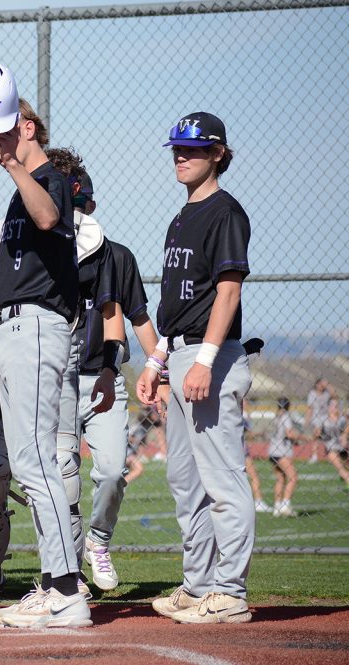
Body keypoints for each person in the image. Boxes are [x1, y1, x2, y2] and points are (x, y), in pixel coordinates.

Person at [0, 59, 93, 627]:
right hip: (11, 329)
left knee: (35, 463)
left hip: (37, 325)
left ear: (28, 127)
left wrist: (14, 164)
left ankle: (66, 590)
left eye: (7, 132)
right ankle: (56, 585)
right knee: (29, 463)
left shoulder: (48, 179)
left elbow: (51, 212)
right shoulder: (18, 195)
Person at [138, 111, 255, 624]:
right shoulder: (181, 216)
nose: (182, 156)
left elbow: (228, 291)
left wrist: (204, 359)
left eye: (195, 149)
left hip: (212, 357)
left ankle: (229, 592)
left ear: (219, 155)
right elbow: (178, 304)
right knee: (185, 480)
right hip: (179, 354)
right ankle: (199, 584)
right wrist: (157, 359)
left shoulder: (226, 212)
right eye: (178, 149)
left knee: (222, 480)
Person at [44, 147, 160, 593]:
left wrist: (159, 373)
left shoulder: (116, 256)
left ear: (90, 206)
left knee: (112, 471)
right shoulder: (44, 254)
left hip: (102, 378)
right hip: (57, 381)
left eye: (78, 204)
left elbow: (137, 319)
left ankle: (98, 542)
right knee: (63, 474)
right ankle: (69, 573)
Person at [268, 397, 301, 517]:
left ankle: (277, 507)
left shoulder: (277, 416)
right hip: (281, 451)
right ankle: (285, 505)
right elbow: (289, 433)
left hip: (273, 450)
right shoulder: (286, 416)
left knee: (280, 479)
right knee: (293, 477)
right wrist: (299, 438)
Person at [242, 401, 270, 514]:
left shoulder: (243, 414)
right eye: (245, 401)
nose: (247, 403)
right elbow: (248, 434)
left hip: (237, 449)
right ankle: (258, 501)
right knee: (254, 476)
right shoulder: (242, 415)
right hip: (241, 451)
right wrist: (260, 434)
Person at [319, 396, 349, 486]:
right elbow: (317, 432)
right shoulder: (323, 419)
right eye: (332, 405)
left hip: (342, 447)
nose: (334, 408)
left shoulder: (342, 419)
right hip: (330, 447)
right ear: (328, 407)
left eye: (336, 405)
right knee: (342, 470)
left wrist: (344, 435)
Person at [305, 378, 330, 463]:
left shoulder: (327, 393)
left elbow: (335, 395)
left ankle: (330, 454)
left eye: (322, 384)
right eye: (320, 384)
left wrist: (328, 385)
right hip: (316, 417)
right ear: (316, 385)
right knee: (316, 435)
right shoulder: (312, 394)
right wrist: (307, 419)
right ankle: (315, 455)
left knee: (328, 436)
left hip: (326, 416)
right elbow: (310, 407)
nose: (321, 386)